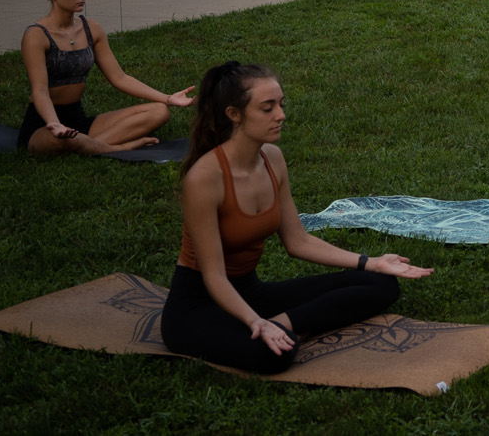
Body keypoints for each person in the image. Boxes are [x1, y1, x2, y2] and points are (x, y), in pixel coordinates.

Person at [161, 61, 431, 374]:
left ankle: (284, 327)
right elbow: (214, 276)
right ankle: (282, 333)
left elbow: (297, 240)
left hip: (250, 292)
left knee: (382, 284)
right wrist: (255, 322)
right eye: (267, 108)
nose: (281, 115)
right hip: (199, 306)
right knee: (273, 356)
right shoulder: (204, 179)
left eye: (281, 105)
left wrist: (370, 262)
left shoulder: (272, 158)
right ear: (234, 114)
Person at [19, 0, 195, 155]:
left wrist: (167, 98)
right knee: (61, 141)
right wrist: (54, 123)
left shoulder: (91, 28)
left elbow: (119, 78)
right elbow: (39, 91)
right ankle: (116, 147)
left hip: (79, 121)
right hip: (43, 125)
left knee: (159, 111)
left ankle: (91, 146)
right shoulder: (36, 35)